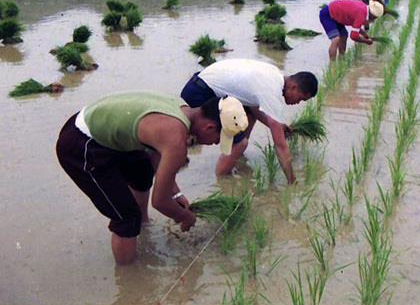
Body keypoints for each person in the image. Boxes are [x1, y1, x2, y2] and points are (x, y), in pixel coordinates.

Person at [55, 91, 248, 264]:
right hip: (81, 144)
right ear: (209, 127)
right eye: (218, 139)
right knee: (126, 217)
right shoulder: (175, 138)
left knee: (142, 173)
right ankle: (129, 278)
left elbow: (158, 156)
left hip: (103, 131)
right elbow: (159, 202)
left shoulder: (181, 109)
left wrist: (176, 194)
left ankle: (143, 229)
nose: (215, 144)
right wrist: (185, 217)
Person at [180, 59, 318, 184]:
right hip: (201, 94)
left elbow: (253, 106)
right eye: (300, 98)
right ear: (294, 87)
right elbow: (280, 145)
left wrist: (277, 125)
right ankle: (223, 181)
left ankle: (235, 157)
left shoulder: (274, 75)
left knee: (248, 116)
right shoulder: (272, 90)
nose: (298, 103)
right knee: (240, 143)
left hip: (197, 84)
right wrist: (292, 180)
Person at [319, 0, 384, 61]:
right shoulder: (361, 14)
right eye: (375, 18)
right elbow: (353, 36)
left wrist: (364, 34)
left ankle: (341, 59)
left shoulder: (363, 8)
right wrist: (366, 41)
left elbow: (355, 24)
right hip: (327, 14)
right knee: (336, 39)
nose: (373, 20)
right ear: (373, 16)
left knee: (344, 35)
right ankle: (332, 65)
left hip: (336, 16)